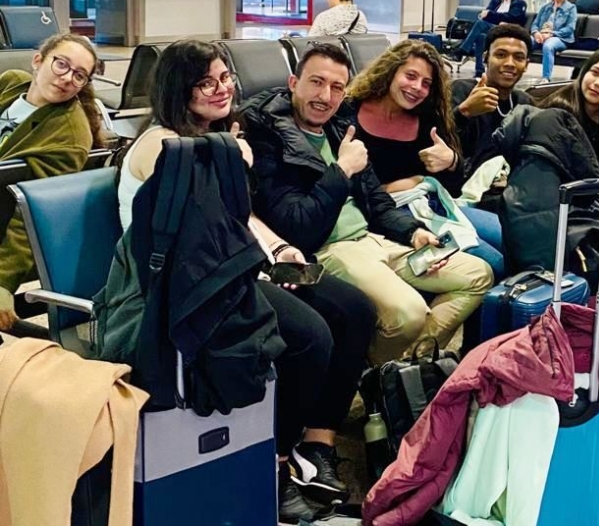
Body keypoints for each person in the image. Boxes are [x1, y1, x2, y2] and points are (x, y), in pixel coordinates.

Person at [116, 39, 376, 523]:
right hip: (178, 284)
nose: (221, 89)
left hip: (223, 265)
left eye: (224, 78)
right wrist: (231, 161)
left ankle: (316, 442)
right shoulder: (160, 143)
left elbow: (238, 218)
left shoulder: (213, 136)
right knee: (309, 336)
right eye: (205, 82)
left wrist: (278, 249)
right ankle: (275, 464)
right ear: (178, 88)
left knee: (353, 309)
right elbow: (196, 219)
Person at [242, 43, 493, 364]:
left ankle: (401, 367)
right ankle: (385, 375)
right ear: (294, 83)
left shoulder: (340, 130)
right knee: (409, 312)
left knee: (478, 274)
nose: (325, 96)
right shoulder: (270, 139)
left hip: (373, 238)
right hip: (332, 248)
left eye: (336, 88)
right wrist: (341, 170)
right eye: (316, 82)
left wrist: (413, 232)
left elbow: (377, 200)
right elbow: (297, 226)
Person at [340, 39, 505, 279]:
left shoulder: (427, 118)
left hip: (432, 201)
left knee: (512, 238)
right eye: (410, 76)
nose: (417, 87)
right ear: (390, 71)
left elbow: (454, 187)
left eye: (426, 83)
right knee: (495, 263)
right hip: (388, 213)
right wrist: (399, 185)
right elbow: (353, 185)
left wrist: (451, 162)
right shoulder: (348, 111)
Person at [0, 33, 104, 333]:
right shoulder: (10, 83)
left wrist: (3, 280)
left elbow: (31, 212)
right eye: (62, 64)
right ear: (38, 61)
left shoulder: (68, 135)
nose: (67, 78)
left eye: (79, 75)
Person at [450, 25, 533, 278]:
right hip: (462, 196)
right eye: (501, 54)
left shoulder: (524, 103)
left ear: (527, 65)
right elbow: (433, 143)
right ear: (486, 57)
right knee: (513, 251)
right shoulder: (461, 91)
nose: (509, 63)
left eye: (518, 57)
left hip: (508, 197)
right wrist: (464, 113)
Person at [451, 0, 527, 68]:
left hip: (507, 31)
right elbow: (486, 17)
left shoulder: (519, 3)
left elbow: (511, 17)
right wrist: (494, 17)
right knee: (481, 36)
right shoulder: (496, 0)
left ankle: (462, 50)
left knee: (480, 24)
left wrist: (492, 15)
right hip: (491, 29)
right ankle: (479, 70)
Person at [530, 0, 578, 83]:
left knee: (548, 46)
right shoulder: (545, 7)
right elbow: (535, 24)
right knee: (525, 41)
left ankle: (545, 78)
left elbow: (570, 28)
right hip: (542, 35)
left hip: (561, 37)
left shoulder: (571, 8)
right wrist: (536, 33)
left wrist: (551, 34)